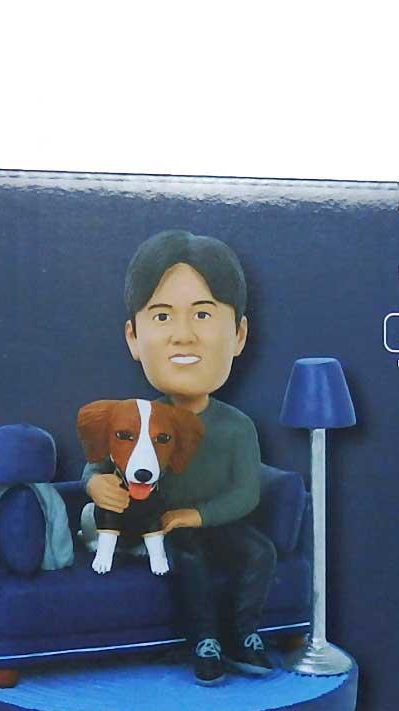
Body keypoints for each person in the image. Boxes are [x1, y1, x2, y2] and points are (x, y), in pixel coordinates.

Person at [83, 230, 277, 685]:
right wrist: (94, 483)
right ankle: (206, 641)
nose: (184, 335)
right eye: (162, 315)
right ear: (133, 337)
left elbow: (246, 493)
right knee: (189, 560)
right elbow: (99, 461)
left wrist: (198, 514)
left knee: (260, 552)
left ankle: (245, 633)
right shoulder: (139, 416)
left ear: (239, 335)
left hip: (212, 523)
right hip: (161, 525)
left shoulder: (237, 427)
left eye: (204, 314)